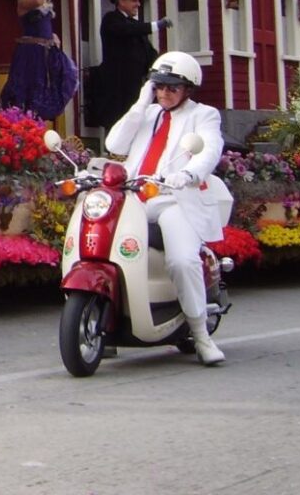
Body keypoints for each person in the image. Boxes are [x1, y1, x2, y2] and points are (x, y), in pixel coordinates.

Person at [105, 51, 228, 366]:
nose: (164, 93)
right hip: (133, 197)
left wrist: (188, 174)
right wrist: (140, 102)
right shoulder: (147, 113)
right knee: (103, 249)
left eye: (172, 87)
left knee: (182, 261)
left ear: (188, 89)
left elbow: (210, 148)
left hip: (174, 199)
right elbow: (115, 146)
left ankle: (201, 335)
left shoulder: (203, 115)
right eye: (159, 86)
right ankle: (106, 323)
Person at [0, 0, 78, 120]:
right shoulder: (24, 0)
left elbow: (44, 21)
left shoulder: (44, 4)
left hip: (45, 52)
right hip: (30, 54)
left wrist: (53, 36)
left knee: (55, 83)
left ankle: (37, 127)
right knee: (28, 90)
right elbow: (38, 0)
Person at [94, 0, 170, 131]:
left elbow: (149, 51)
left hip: (135, 86)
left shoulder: (136, 25)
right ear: (121, 1)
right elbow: (126, 30)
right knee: (117, 124)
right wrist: (156, 25)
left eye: (139, 0)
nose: (138, 4)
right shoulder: (111, 19)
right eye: (134, 0)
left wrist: (165, 65)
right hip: (117, 87)